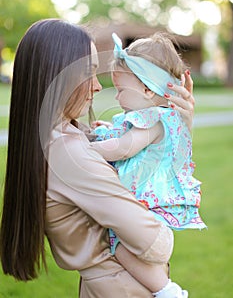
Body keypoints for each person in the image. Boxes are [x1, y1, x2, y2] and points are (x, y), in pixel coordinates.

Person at [0, 19, 195, 298]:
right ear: (58, 76)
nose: (97, 86)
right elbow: (156, 244)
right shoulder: (70, 154)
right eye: (88, 74)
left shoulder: (59, 137)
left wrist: (178, 125)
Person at [91, 32, 206, 297]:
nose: (117, 98)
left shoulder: (155, 118)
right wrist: (110, 128)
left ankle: (167, 290)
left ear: (146, 89)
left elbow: (124, 148)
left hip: (148, 210)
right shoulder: (143, 117)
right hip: (144, 208)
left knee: (120, 248)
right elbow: (127, 138)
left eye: (120, 90)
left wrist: (88, 150)